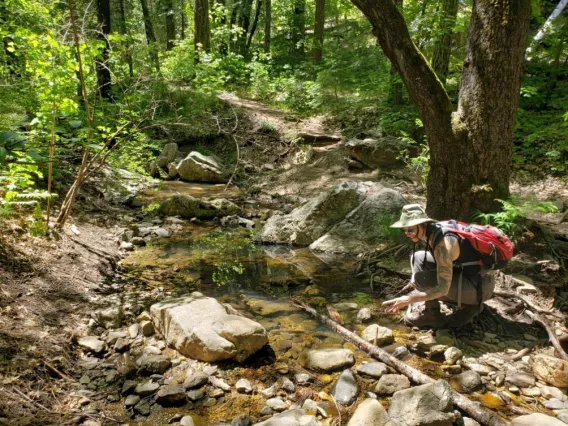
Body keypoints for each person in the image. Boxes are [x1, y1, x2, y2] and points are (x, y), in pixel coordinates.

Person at [383, 204, 496, 328]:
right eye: (404, 230)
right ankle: (431, 311)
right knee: (418, 257)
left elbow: (443, 288)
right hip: (470, 276)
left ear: (423, 224)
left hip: (479, 288)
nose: (407, 233)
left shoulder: (443, 246)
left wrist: (410, 299)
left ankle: (470, 306)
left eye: (410, 230)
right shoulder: (434, 230)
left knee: (421, 279)